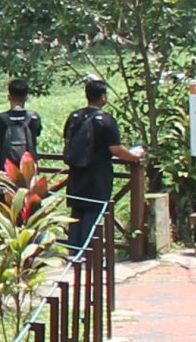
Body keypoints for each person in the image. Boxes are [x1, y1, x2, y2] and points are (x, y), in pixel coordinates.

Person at [60, 76, 141, 251]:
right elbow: (116, 150)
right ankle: (89, 254)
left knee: (77, 213)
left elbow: (67, 143)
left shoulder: (74, 117)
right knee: (93, 213)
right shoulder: (106, 120)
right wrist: (135, 157)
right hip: (97, 175)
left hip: (75, 174)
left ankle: (74, 252)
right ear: (103, 97)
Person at [0, 78, 41, 175]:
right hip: (28, 168)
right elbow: (36, 134)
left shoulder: (0, 118)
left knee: (5, 189)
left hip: (6, 167)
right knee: (27, 190)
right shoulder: (34, 117)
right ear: (26, 97)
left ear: (9, 97)